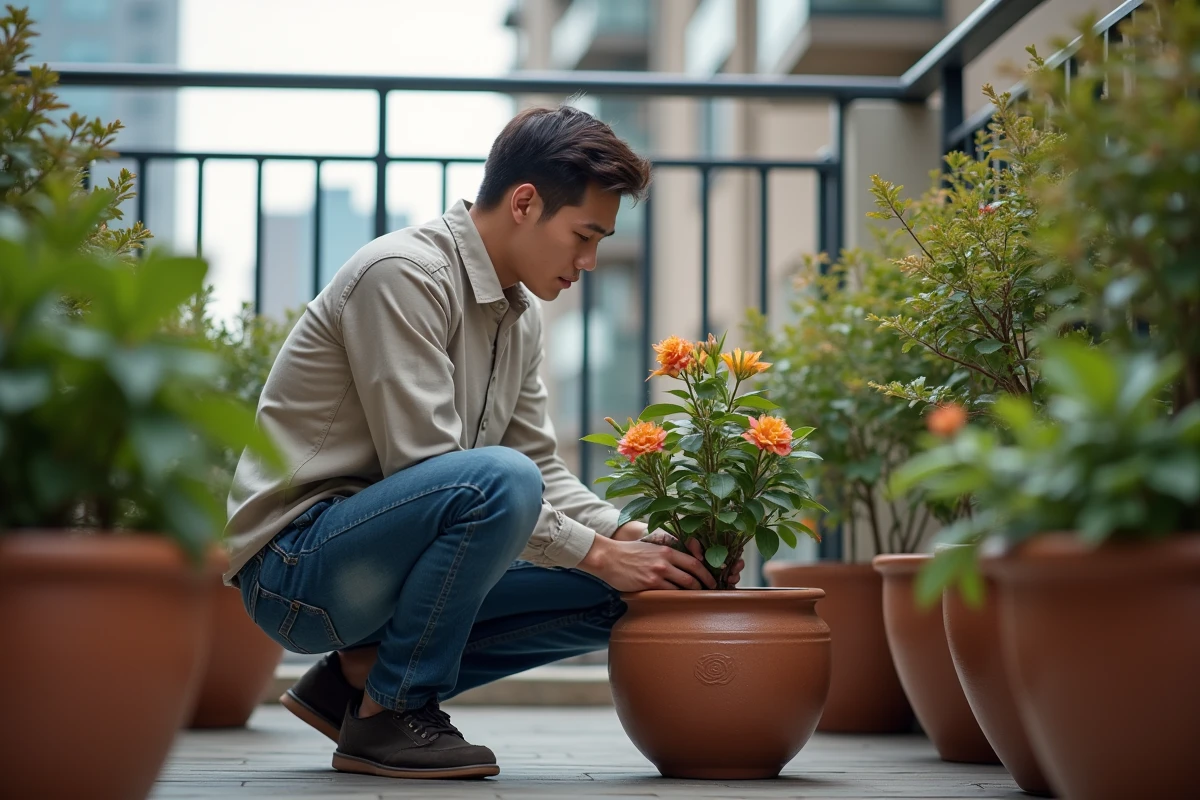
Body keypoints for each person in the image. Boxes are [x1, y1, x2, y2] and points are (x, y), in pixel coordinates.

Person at [223, 104, 744, 781]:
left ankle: (354, 682)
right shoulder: (404, 275)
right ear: (525, 203)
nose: (589, 261)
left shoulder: (518, 315)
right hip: (297, 568)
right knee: (501, 485)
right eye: (584, 235)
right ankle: (393, 711)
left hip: (380, 561)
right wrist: (596, 553)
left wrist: (637, 540)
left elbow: (542, 471)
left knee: (634, 587)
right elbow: (445, 472)